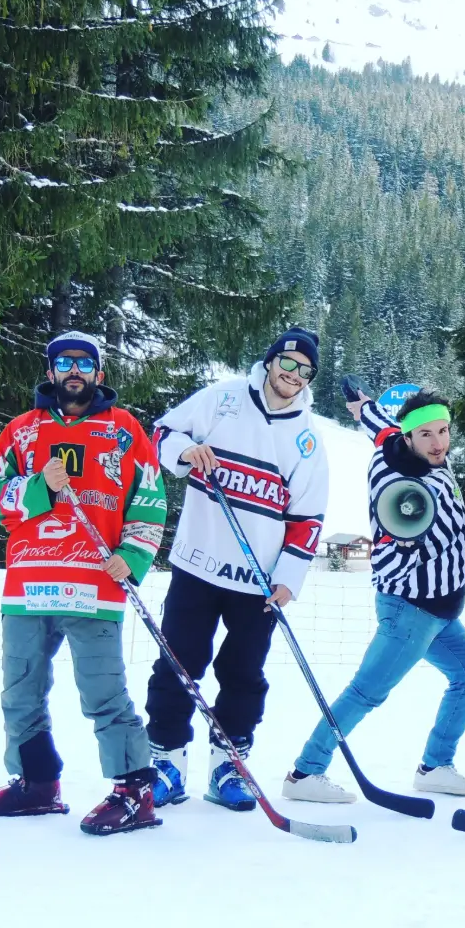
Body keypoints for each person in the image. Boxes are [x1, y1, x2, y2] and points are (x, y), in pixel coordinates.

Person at [146, 327, 329, 810]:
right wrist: (185, 452)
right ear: (270, 362)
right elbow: (162, 432)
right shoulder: (222, 399)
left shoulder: (307, 440)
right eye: (287, 364)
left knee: (243, 674)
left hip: (257, 582)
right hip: (196, 565)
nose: (292, 376)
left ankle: (230, 765)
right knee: (178, 664)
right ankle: (167, 760)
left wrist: (289, 578)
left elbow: (307, 519)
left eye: (303, 371)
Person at [0, 331, 166, 834]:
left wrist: (132, 554)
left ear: (99, 373)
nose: (75, 371)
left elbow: (150, 498)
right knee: (20, 690)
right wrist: (38, 487)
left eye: (84, 363)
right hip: (30, 584)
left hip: (94, 583)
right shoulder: (21, 433)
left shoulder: (123, 430)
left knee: (103, 691)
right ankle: (36, 783)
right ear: (50, 372)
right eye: (64, 362)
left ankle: (135, 791)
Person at [284, 386, 465, 801]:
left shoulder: (402, 443)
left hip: (442, 612)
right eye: (427, 435)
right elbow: (393, 546)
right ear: (410, 439)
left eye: (443, 431)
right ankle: (306, 772)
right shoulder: (398, 482)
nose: (438, 443)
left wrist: (364, 409)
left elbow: (382, 429)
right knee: (366, 692)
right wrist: (406, 534)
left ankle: (435, 766)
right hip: (411, 611)